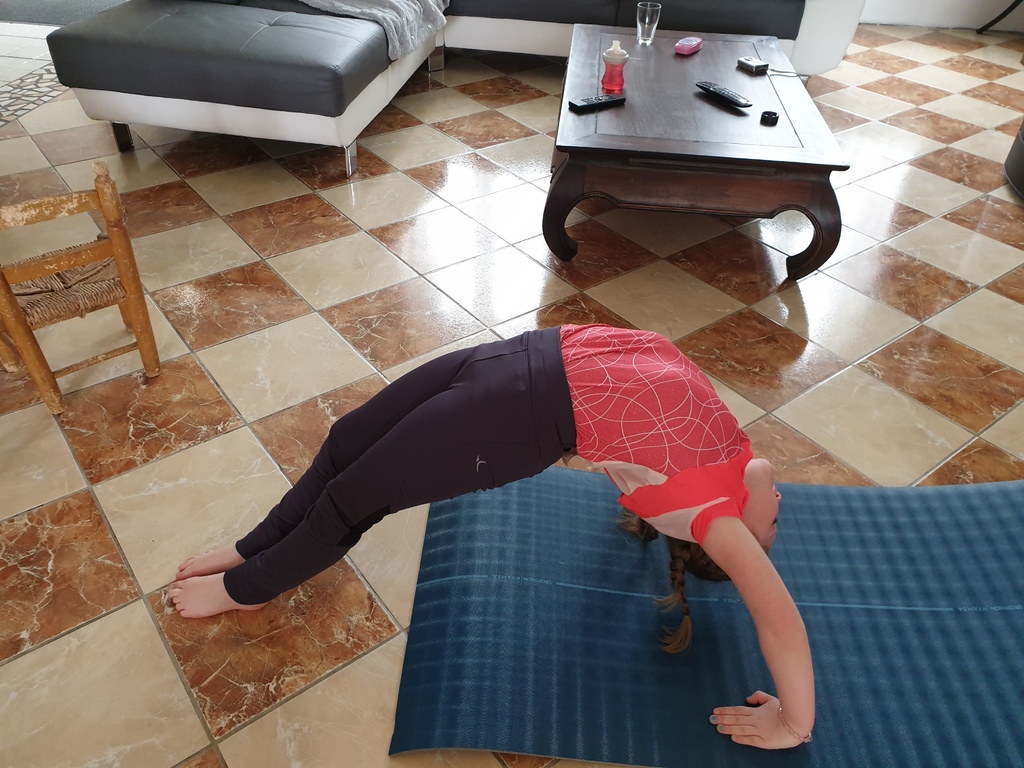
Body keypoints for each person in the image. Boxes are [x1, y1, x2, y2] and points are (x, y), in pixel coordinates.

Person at [169, 323, 814, 749]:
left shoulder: (716, 517)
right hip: (515, 356)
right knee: (346, 440)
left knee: (353, 499)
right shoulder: (733, 450)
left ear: (737, 538)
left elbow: (780, 622)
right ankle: (255, 546)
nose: (781, 503)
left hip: (516, 418)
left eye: (774, 523)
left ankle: (248, 586)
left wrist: (793, 722)